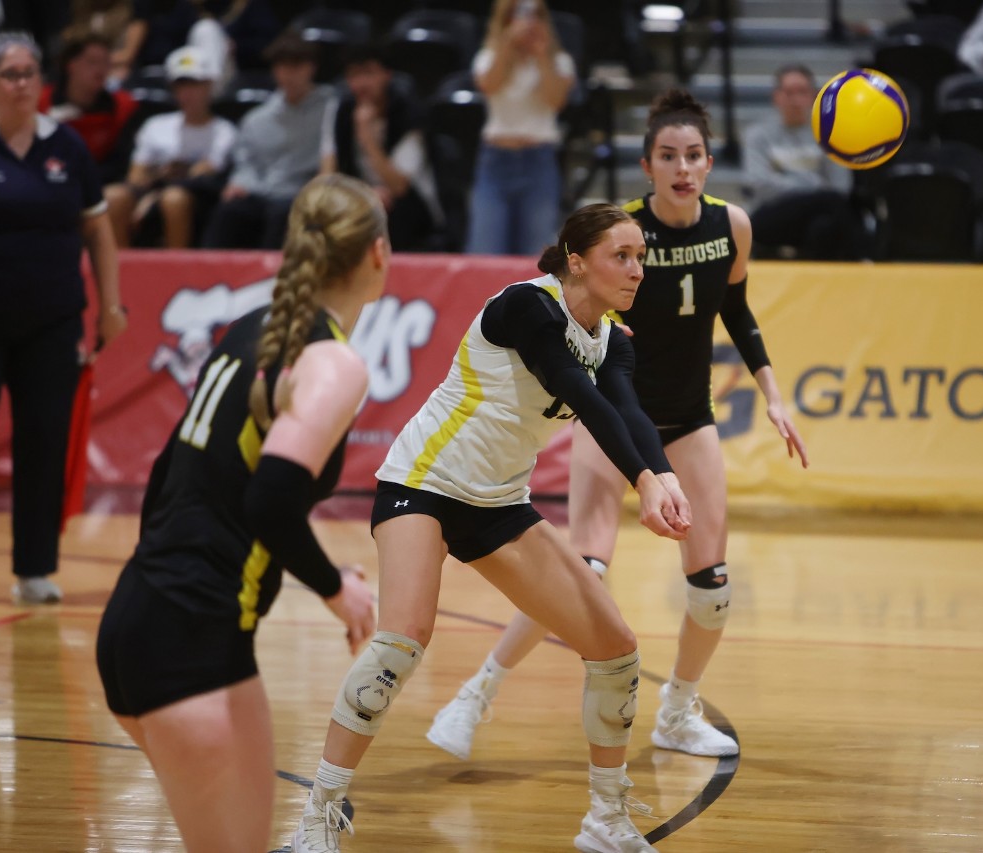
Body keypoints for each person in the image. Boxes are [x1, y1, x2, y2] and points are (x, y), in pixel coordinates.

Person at [290, 203, 691, 853]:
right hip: (422, 482)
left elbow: (625, 410)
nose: (637, 269)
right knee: (402, 639)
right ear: (577, 259)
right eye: (622, 255)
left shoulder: (613, 339)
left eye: (642, 256)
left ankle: (606, 819)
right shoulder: (525, 307)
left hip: (499, 502)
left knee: (616, 647)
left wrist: (662, 473)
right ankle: (318, 816)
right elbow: (576, 392)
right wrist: (644, 480)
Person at [426, 89, 809, 764]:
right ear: (647, 164)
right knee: (584, 572)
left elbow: (738, 313)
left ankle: (679, 710)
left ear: (711, 162)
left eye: (693, 155)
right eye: (668, 155)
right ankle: (477, 692)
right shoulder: (621, 234)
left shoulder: (733, 227)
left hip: (689, 421)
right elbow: (564, 294)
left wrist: (772, 392)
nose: (682, 167)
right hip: (611, 416)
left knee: (712, 588)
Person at [94, 173, 381, 853]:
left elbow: (168, 475)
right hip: (195, 645)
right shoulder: (333, 362)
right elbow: (272, 499)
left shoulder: (251, 328)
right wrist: (339, 590)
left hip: (136, 620)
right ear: (377, 254)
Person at [0, 35, 127, 606]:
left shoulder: (66, 146)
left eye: (29, 72)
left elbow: (98, 229)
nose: (21, 83)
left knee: (43, 444)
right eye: (10, 74)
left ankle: (35, 569)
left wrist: (111, 307)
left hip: (52, 321)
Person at [201, 30, 331, 250]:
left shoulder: (331, 108)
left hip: (302, 192)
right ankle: (205, 274)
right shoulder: (258, 118)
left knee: (282, 214)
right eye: (282, 67)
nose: (288, 75)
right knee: (230, 210)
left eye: (295, 66)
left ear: (311, 68)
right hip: (261, 190)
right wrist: (240, 182)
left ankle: (274, 278)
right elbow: (246, 160)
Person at [466, 0, 575, 256]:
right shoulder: (488, 57)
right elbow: (489, 85)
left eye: (536, 15)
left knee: (533, 257)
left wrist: (541, 56)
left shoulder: (560, 62)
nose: (529, 22)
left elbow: (555, 101)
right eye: (520, 15)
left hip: (538, 162)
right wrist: (507, 44)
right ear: (506, 20)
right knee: (485, 253)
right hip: (495, 162)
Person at [105, 44, 235, 247]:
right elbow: (136, 175)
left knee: (173, 198)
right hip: (151, 192)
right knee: (114, 196)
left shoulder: (224, 130)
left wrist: (155, 191)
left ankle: (176, 267)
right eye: (181, 86)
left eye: (194, 84)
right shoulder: (155, 125)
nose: (187, 94)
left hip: (198, 200)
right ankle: (120, 267)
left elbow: (204, 172)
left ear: (209, 85)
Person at [320, 43, 444, 252]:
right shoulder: (340, 110)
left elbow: (399, 185)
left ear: (387, 75)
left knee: (391, 213)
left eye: (368, 73)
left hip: (411, 205)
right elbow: (328, 172)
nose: (361, 83)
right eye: (354, 75)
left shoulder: (409, 112)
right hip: (360, 197)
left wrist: (366, 137)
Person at [743, 63, 861, 261]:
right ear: (776, 97)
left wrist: (791, 184)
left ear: (813, 96)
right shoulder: (757, 136)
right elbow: (759, 185)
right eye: (789, 93)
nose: (796, 100)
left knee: (823, 226)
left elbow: (841, 187)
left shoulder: (830, 135)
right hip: (772, 214)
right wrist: (814, 187)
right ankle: (863, 256)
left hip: (819, 215)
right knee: (830, 204)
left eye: (802, 92)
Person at [39, 30, 139, 185]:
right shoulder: (39, 102)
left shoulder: (124, 106)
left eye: (106, 62)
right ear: (71, 65)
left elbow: (120, 164)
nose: (100, 70)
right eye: (92, 62)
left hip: (100, 185)